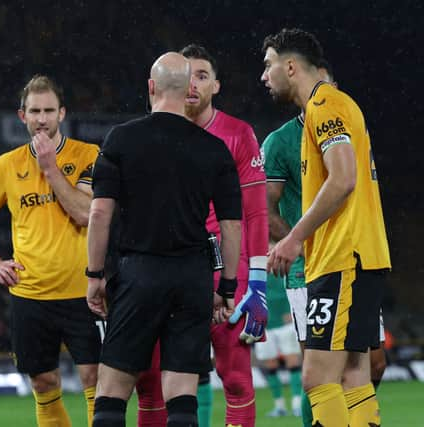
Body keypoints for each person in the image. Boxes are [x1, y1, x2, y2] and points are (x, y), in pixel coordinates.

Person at [87, 51, 242, 427]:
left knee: (111, 393)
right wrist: (228, 285)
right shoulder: (214, 149)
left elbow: (99, 213)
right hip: (192, 277)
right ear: (189, 88)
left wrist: (94, 275)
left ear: (151, 86)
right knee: (182, 397)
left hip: (139, 272)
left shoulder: (122, 139)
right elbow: (232, 226)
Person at [262, 28, 391, 426]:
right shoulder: (329, 108)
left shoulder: (326, 104)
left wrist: (295, 237)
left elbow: (343, 177)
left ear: (290, 66)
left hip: (342, 258)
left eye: (268, 66)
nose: (263, 76)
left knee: (318, 377)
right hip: (358, 255)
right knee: (354, 375)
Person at [0, 75, 101, 427]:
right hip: (31, 294)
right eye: (34, 111)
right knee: (43, 384)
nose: (42, 118)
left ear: (62, 114)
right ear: (22, 115)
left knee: (96, 380)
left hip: (85, 292)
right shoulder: (7, 165)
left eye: (49, 111)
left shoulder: (89, 155)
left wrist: (51, 169)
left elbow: (85, 212)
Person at [184, 43, 269, 427]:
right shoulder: (154, 134)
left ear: (216, 85)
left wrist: (259, 281)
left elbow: (255, 211)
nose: (192, 83)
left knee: (234, 379)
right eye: (184, 75)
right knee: (165, 381)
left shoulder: (238, 134)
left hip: (226, 269)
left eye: (201, 75)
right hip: (170, 267)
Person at [253, 272, 302, 418]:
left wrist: (289, 309)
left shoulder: (282, 267)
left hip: (284, 323)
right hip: (264, 324)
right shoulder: (254, 270)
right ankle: (279, 406)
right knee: (270, 365)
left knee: (292, 361)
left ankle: (296, 405)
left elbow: (293, 286)